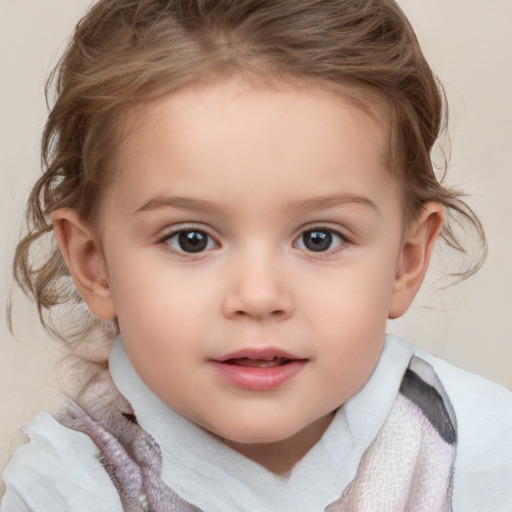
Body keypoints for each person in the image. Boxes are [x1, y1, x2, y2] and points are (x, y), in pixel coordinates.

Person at [1, 0, 511, 510]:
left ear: (406, 258)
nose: (259, 295)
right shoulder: (66, 487)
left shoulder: (481, 459)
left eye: (319, 238)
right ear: (96, 264)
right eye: (191, 239)